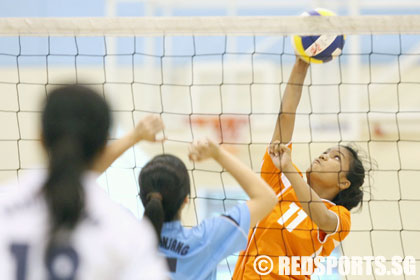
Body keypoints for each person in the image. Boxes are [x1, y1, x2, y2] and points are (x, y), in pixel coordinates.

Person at [0, 85, 168, 280]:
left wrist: (134, 136)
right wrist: (134, 136)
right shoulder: (126, 231)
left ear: (41, 137)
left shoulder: (5, 206)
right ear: (104, 142)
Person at [232, 58, 366, 279]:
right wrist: (301, 65)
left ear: (344, 182)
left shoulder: (340, 216)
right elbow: (286, 116)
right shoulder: (280, 180)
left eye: (336, 157)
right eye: (326, 150)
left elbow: (322, 218)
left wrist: (289, 170)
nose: (324, 155)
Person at [137, 139, 278, 280]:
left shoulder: (127, 237)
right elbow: (267, 198)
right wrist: (218, 154)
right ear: (186, 199)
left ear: (143, 198)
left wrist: (135, 136)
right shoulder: (203, 240)